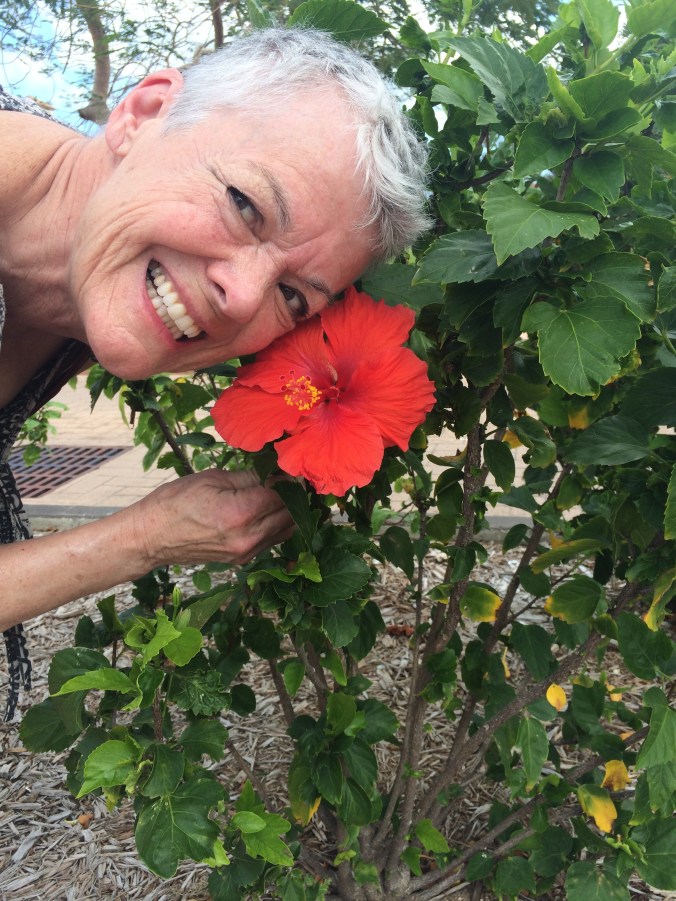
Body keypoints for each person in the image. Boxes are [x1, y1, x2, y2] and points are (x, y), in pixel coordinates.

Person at [0, 27, 429, 718]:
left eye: (294, 297)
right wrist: (143, 537)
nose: (243, 298)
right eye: (245, 204)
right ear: (144, 112)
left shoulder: (76, 287)